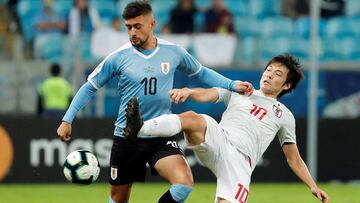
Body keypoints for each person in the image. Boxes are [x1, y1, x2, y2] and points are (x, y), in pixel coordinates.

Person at [56, 1, 253, 203]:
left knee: (183, 183)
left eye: (137, 26)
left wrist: (232, 84)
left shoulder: (174, 52)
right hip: (128, 136)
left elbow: (201, 72)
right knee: (118, 199)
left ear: (152, 24)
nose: (132, 32)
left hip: (160, 132)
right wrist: (67, 119)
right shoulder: (118, 57)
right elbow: (90, 86)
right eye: (129, 27)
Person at [125, 54, 329, 203]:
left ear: (286, 86)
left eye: (277, 74)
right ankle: (139, 129)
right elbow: (209, 94)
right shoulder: (241, 90)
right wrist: (189, 91)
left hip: (240, 162)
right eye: (268, 70)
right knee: (193, 118)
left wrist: (313, 186)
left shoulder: (284, 115)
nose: (269, 75)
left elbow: (293, 157)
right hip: (219, 139)